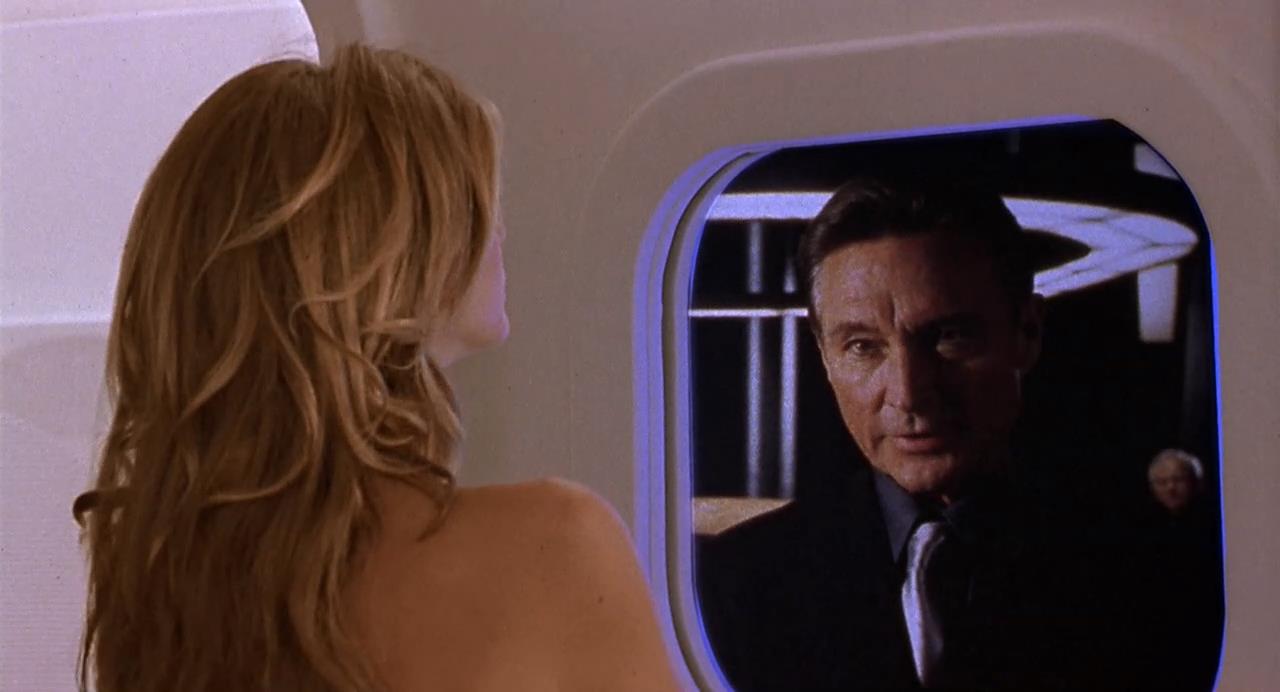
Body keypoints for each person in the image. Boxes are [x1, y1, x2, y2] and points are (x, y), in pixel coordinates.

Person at [72, 43, 682, 692]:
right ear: (381, 253)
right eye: (466, 200)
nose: (498, 227)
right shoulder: (558, 548)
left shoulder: (161, 589)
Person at [697, 173, 1153, 691]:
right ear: (824, 356)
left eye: (948, 337)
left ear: (1027, 333)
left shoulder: (1143, 573)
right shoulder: (732, 584)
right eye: (863, 347)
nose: (909, 393)